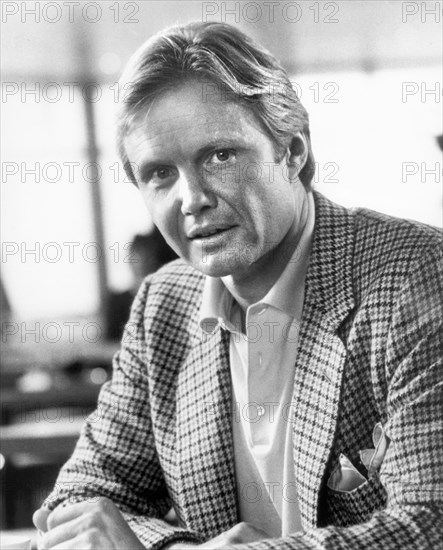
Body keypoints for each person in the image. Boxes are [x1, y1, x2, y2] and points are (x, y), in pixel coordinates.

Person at [33, 21, 442, 549]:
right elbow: (79, 500)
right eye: (160, 173)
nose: (191, 198)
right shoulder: (163, 303)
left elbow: (430, 524)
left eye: (219, 156)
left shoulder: (418, 277)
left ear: (293, 152)